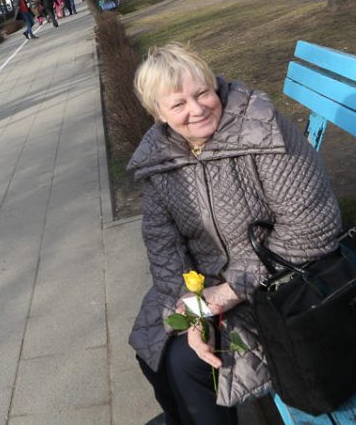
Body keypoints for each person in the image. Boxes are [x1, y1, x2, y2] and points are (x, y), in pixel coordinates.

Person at [127, 43, 342, 424]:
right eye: (178, 105)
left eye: (202, 93)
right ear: (158, 114)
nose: (197, 109)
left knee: (187, 365)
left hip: (279, 282)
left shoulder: (262, 129)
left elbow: (312, 230)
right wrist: (194, 313)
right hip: (205, 286)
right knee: (151, 347)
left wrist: (224, 295)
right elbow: (164, 249)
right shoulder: (158, 161)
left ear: (215, 86)